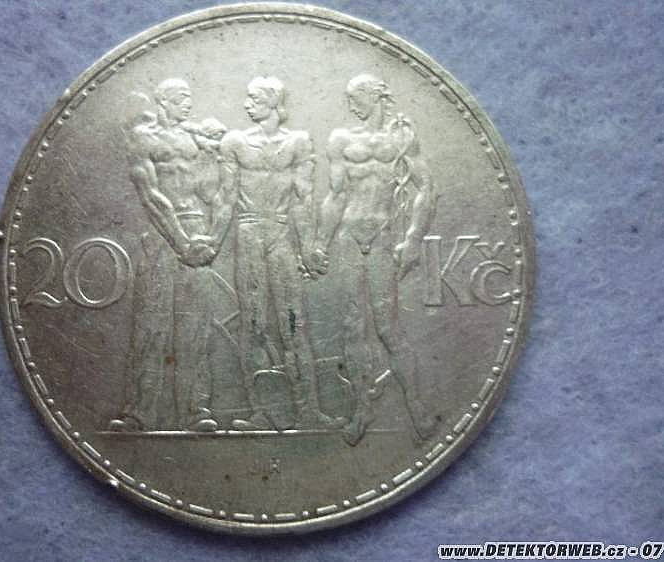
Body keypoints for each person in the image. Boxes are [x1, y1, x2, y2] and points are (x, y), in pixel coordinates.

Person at [309, 74, 437, 444]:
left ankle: (416, 409)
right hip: (349, 238)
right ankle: (361, 410)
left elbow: (427, 188)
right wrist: (320, 243)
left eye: (356, 97)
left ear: (375, 96)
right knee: (352, 327)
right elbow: (335, 196)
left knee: (388, 328)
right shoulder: (341, 139)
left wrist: (412, 239)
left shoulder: (401, 137)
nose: (351, 105)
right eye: (349, 98)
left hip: (382, 238)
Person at [208, 77, 338, 430]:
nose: (247, 104)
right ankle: (261, 412)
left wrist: (308, 246)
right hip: (248, 232)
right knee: (253, 325)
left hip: (280, 234)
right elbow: (225, 197)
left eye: (253, 98)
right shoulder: (234, 142)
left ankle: (308, 412)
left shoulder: (298, 142)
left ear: (272, 101)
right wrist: (212, 242)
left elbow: (303, 198)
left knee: (293, 324)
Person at [109, 79, 226, 432]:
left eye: (189, 98)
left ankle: (195, 411)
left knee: (196, 326)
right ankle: (139, 413)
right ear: (163, 101)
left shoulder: (195, 139)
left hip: (197, 231)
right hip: (161, 234)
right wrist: (181, 242)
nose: (187, 104)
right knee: (151, 322)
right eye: (181, 98)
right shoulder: (143, 139)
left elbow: (210, 192)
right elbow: (150, 195)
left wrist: (212, 155)